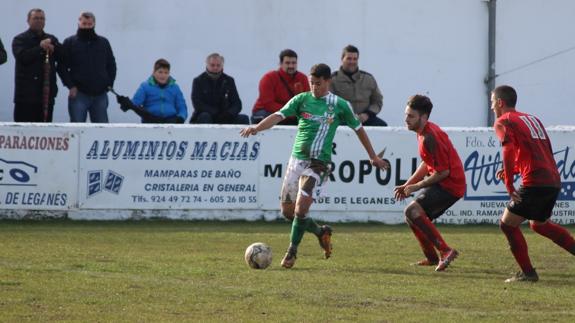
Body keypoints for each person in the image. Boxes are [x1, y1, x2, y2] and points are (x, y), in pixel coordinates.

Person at [240, 63, 389, 269]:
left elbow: (359, 129)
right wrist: (257, 128)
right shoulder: (302, 99)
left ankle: (291, 252)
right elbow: (278, 115)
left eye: (318, 84)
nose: (314, 88)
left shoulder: (339, 104)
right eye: (311, 83)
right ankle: (321, 232)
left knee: (301, 209)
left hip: (319, 164)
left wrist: (373, 156)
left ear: (328, 81)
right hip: (296, 161)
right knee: (288, 213)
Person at [491, 85, 575, 283]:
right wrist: (516, 169)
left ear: (500, 103)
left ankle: (528, 273)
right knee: (539, 224)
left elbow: (508, 151)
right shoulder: (531, 119)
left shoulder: (503, 121)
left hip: (535, 181)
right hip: (552, 180)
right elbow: (539, 150)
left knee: (507, 224)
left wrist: (509, 183)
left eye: (492, 102)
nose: (492, 107)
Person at [394, 95, 464, 272]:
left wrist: (416, 187)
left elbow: (443, 172)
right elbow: (427, 164)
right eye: (406, 114)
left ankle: (446, 251)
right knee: (411, 215)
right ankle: (432, 258)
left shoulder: (430, 137)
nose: (406, 119)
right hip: (445, 182)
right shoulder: (423, 133)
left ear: (423, 118)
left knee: (412, 210)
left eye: (411, 116)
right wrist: (407, 184)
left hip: (451, 185)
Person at [61, 11, 116, 123]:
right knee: (77, 129)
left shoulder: (103, 42)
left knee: (102, 129)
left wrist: (109, 84)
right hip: (79, 94)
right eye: (84, 24)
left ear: (94, 24)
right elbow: (62, 67)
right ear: (79, 23)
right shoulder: (69, 42)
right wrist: (70, 86)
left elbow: (111, 64)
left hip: (100, 94)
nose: (86, 27)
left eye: (89, 24)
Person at [12, 8, 64, 122]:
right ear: (28, 21)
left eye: (42, 18)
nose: (39, 21)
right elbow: (23, 57)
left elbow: (63, 56)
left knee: (45, 133)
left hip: (46, 96)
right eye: (35, 18)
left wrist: (54, 48)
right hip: (25, 97)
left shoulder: (51, 38)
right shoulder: (20, 39)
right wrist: (40, 48)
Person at [330, 45, 387, 126]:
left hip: (365, 119)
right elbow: (328, 102)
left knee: (383, 126)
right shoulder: (332, 79)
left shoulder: (368, 78)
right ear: (342, 59)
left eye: (355, 59)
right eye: (349, 58)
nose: (352, 62)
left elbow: (377, 101)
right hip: (342, 120)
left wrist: (367, 114)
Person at [116, 58, 187, 123]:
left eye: (166, 73)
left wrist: (181, 117)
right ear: (154, 72)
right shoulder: (145, 86)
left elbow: (182, 107)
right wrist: (126, 102)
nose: (163, 75)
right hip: (150, 121)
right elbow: (135, 103)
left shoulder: (175, 87)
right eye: (160, 72)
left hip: (171, 122)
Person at [251, 49, 310, 125]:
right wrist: (290, 112)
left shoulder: (303, 78)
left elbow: (307, 101)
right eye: (287, 63)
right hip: (265, 111)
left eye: (293, 63)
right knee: (273, 118)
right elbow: (268, 104)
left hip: (290, 114)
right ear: (280, 64)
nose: (291, 66)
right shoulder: (269, 78)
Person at [190, 53, 249, 124]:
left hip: (225, 116)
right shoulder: (198, 81)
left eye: (218, 65)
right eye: (212, 65)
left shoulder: (229, 80)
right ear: (207, 65)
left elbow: (237, 103)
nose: (215, 67)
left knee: (244, 118)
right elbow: (197, 103)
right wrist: (215, 112)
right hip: (206, 116)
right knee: (205, 116)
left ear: (222, 65)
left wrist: (229, 114)